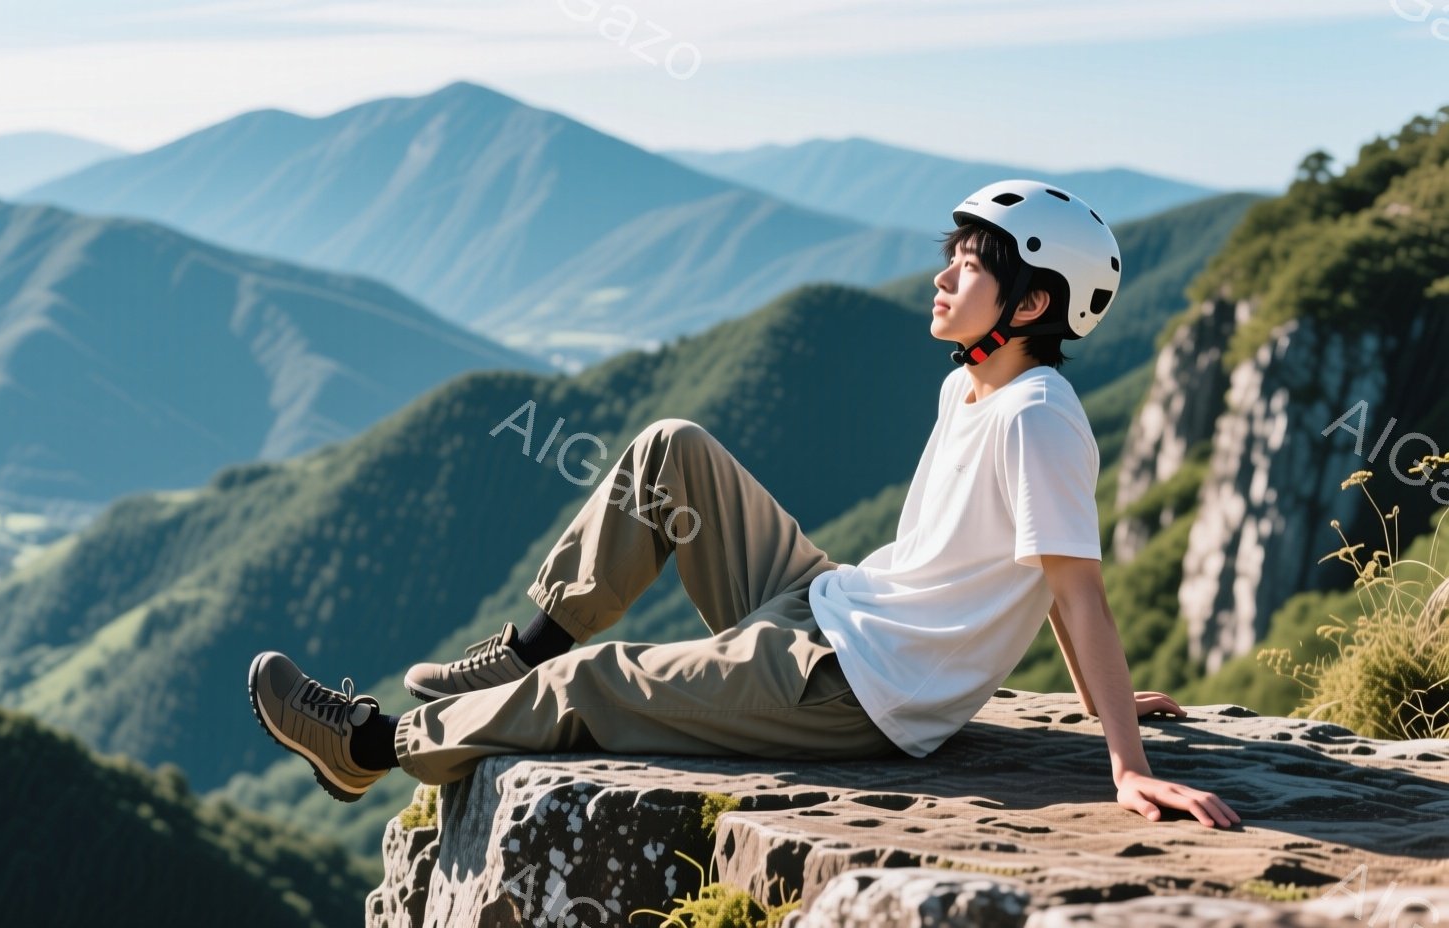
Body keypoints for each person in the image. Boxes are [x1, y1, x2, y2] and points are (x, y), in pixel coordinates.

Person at [247, 178, 1241, 829]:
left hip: (850, 690)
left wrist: (1122, 759)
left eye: (971, 265)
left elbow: (1073, 593)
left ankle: (368, 749)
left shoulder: (1036, 417)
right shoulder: (967, 387)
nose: (941, 275)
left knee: (596, 687)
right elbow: (1019, 574)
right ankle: (529, 643)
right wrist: (1083, 700)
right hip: (832, 608)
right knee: (670, 451)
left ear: (1028, 306)